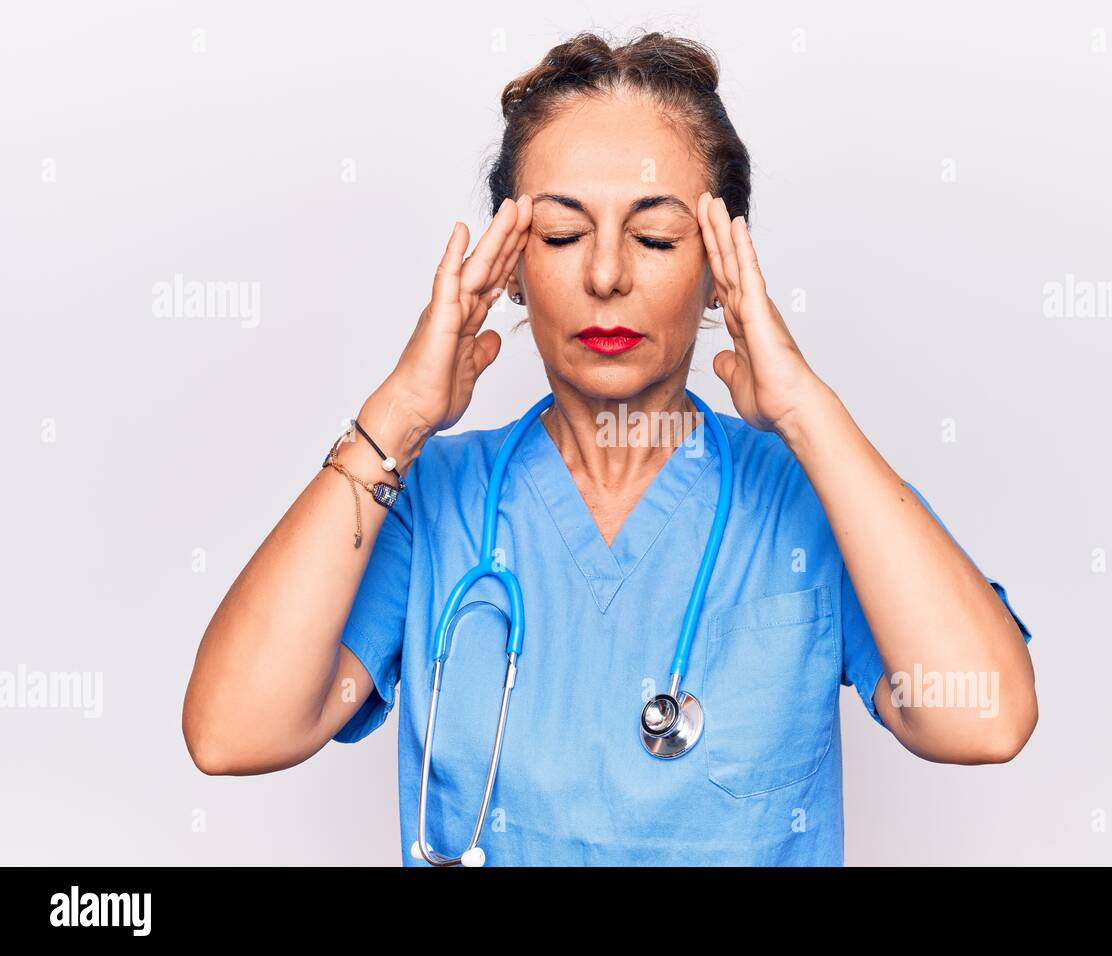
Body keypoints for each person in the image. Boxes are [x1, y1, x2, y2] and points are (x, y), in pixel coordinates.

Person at [183, 29, 1036, 866]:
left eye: (657, 238)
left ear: (721, 269)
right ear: (509, 266)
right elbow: (233, 732)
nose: (604, 276)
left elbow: (986, 719)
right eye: (560, 236)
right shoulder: (425, 498)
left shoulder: (815, 498)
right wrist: (397, 416)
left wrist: (808, 411)